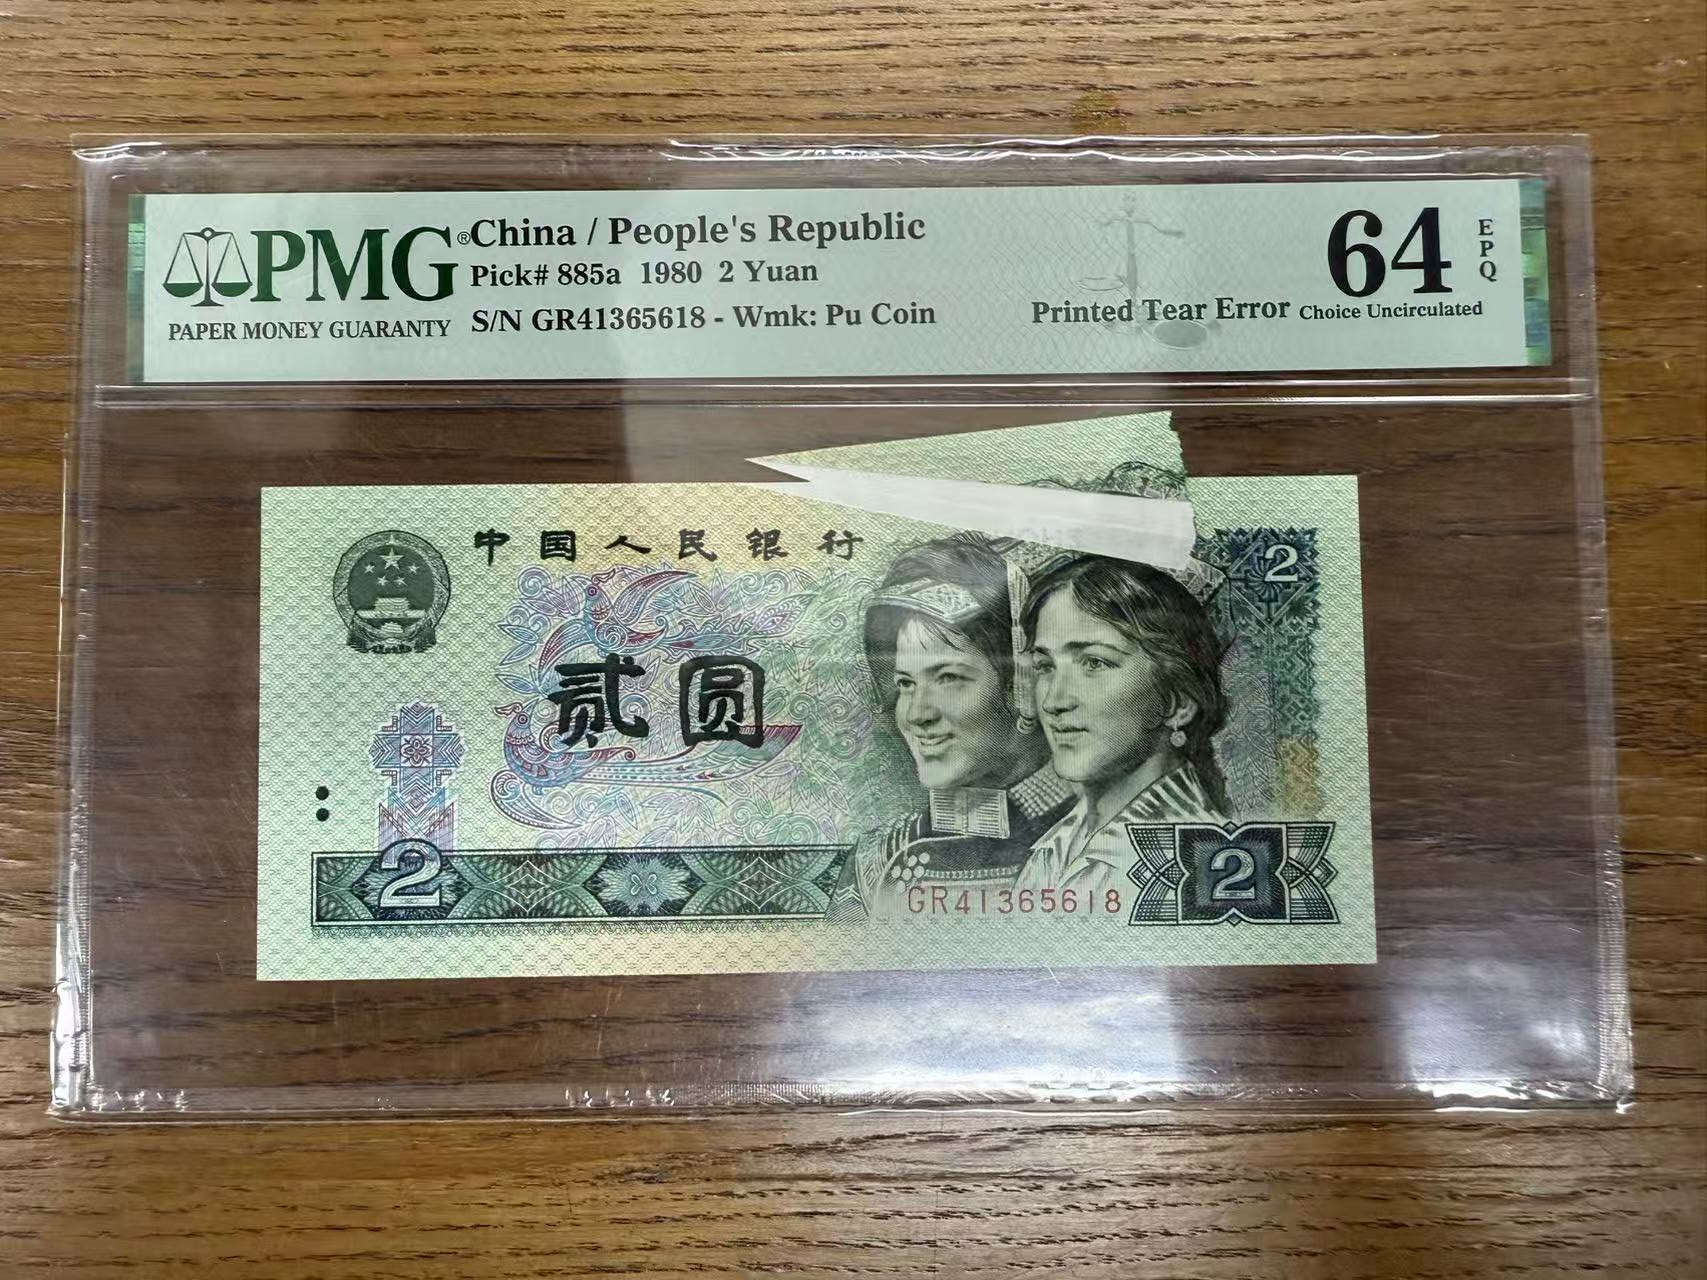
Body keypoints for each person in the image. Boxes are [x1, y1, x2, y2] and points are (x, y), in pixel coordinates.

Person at [827, 535, 1074, 921]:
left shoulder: (1104, 837)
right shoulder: (877, 861)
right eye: (905, 683)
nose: (916, 714)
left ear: (1022, 684)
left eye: (948, 678)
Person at [1015, 554, 1229, 899]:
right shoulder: (1057, 846)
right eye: (1045, 666)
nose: (1054, 701)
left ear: (1177, 702)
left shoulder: (1197, 864)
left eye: (1094, 663)